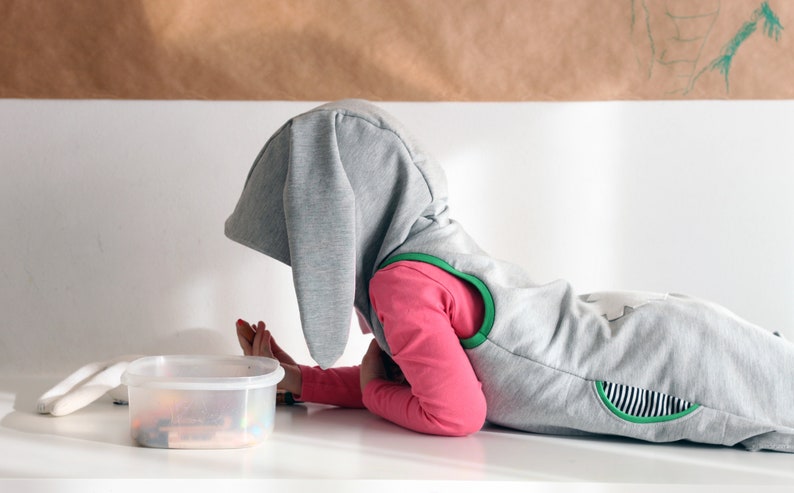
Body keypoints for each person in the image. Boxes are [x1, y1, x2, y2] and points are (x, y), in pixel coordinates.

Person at [226, 99, 794, 451]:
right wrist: (300, 380)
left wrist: (374, 392)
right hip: (657, 332)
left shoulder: (399, 285)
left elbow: (453, 413)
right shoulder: (422, 259)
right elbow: (423, 379)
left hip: (653, 364)